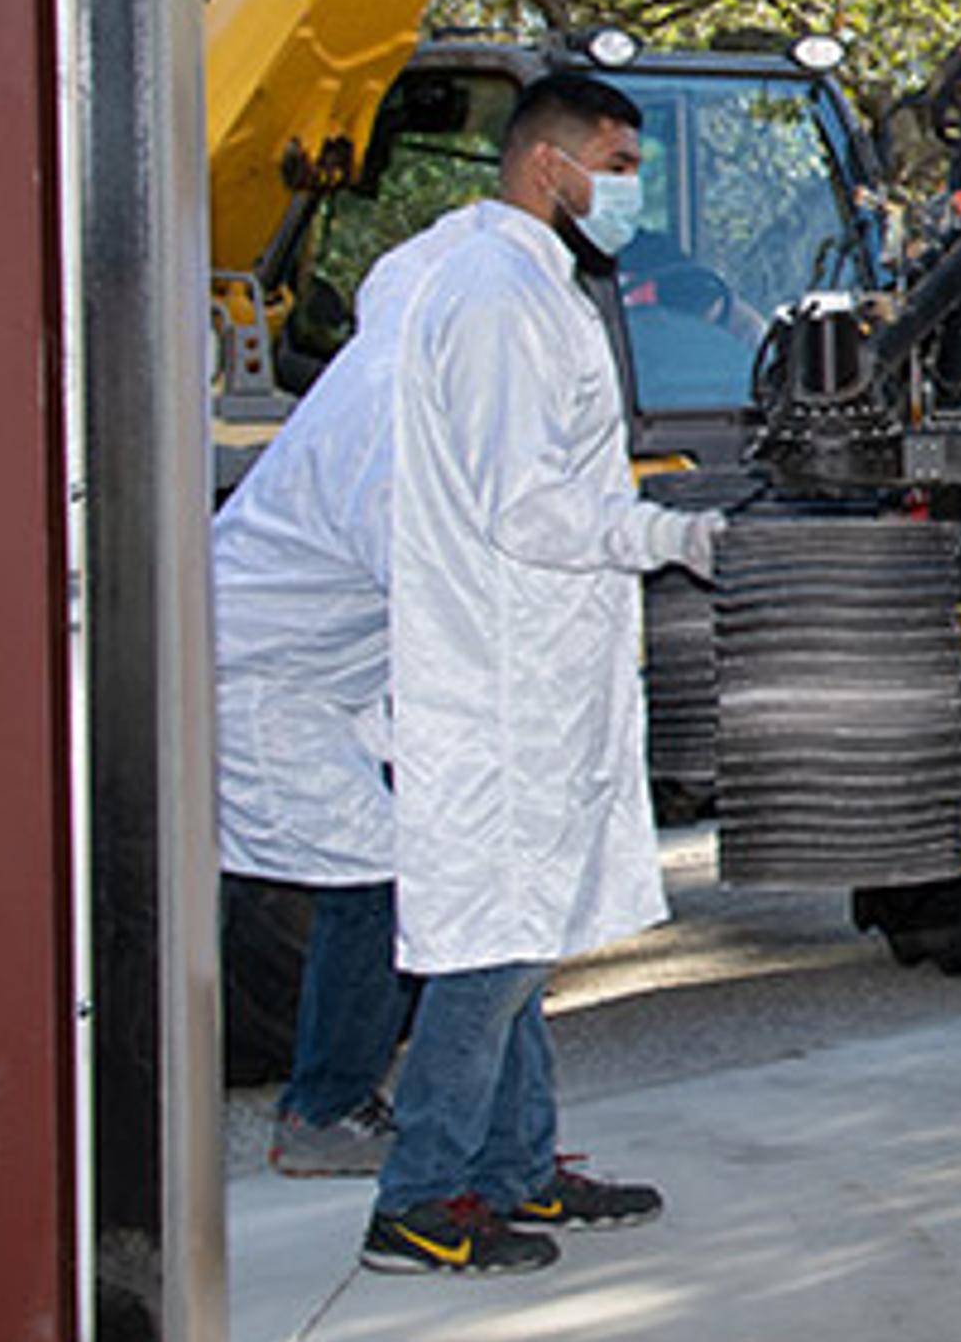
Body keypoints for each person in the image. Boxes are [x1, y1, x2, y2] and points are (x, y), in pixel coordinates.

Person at [365, 72, 722, 1278]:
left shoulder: (529, 280)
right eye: (616, 161)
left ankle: (516, 1167)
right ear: (546, 163)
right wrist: (664, 533)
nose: (627, 187)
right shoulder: (497, 294)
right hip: (498, 672)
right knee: (494, 943)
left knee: (525, 930)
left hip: (538, 663)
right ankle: (418, 1199)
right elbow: (527, 500)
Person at [212, 208, 480, 1176]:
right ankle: (322, 1108)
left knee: (380, 870)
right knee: (378, 876)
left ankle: (341, 1092)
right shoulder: (392, 404)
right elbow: (422, 568)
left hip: (319, 679)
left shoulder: (397, 379)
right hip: (264, 684)